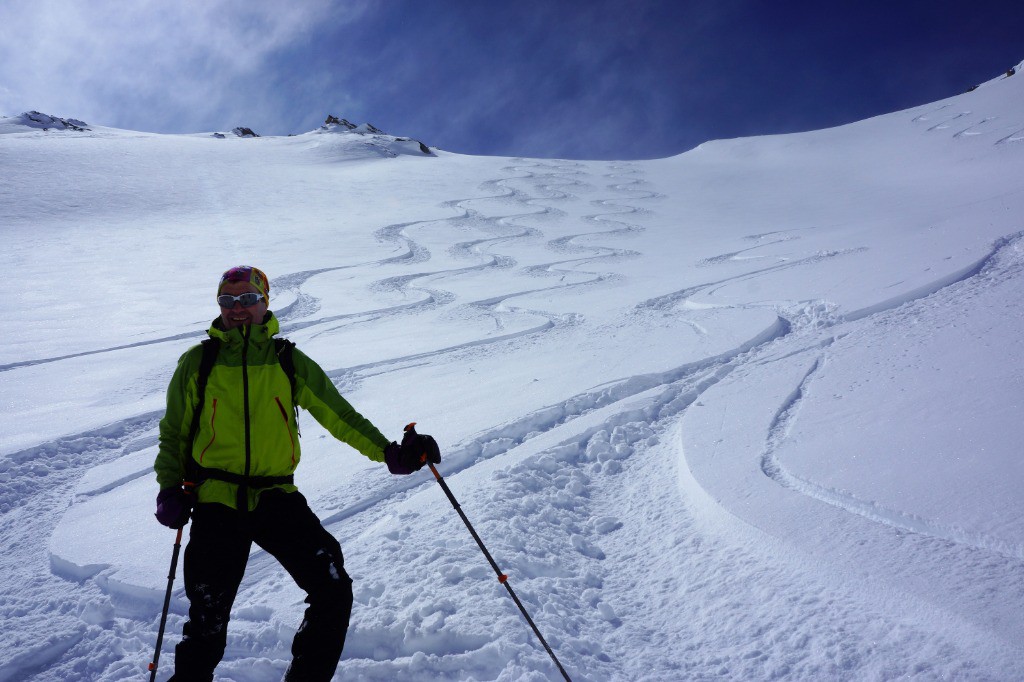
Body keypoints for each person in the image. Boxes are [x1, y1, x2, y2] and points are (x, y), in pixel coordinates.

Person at [154, 265, 439, 681]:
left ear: (264, 303)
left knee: (333, 590)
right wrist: (169, 489)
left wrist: (389, 453)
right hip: (216, 500)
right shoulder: (199, 361)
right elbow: (175, 433)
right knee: (206, 622)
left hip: (277, 498)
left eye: (247, 299)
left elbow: (338, 414)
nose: (237, 308)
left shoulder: (287, 360)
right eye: (227, 300)